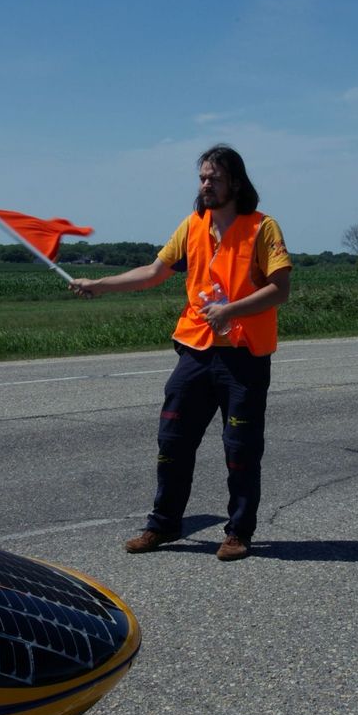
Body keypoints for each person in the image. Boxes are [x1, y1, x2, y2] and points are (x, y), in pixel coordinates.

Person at [71, 145, 292, 561]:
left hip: (243, 355)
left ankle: (238, 533)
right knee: (172, 440)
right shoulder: (193, 226)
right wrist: (99, 284)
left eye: (215, 178)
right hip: (196, 350)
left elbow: (281, 289)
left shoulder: (262, 228)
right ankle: (163, 525)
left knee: (240, 449)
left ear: (236, 183)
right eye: (203, 177)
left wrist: (230, 309)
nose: (206, 185)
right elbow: (154, 273)